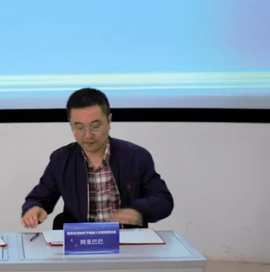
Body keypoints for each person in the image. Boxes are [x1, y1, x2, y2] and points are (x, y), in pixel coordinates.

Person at [21, 88, 173, 229]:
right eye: (79, 127)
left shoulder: (136, 157)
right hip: (80, 242)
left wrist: (138, 210)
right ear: (71, 126)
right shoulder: (61, 160)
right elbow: (40, 197)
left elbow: (163, 200)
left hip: (125, 241)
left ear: (109, 121)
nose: (88, 135)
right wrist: (34, 208)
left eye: (95, 126)